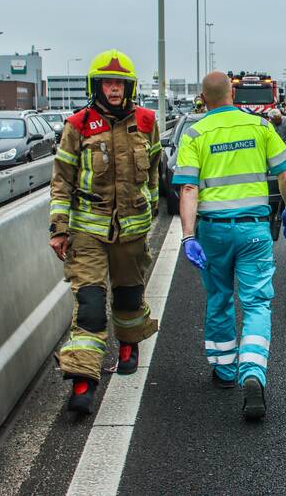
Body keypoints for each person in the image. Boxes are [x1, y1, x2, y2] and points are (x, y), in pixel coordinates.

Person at [175, 72, 286, 421]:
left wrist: (188, 235)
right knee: (257, 303)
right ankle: (253, 372)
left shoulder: (195, 133)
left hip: (213, 231)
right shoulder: (260, 126)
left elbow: (188, 188)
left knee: (219, 298)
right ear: (233, 92)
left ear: (203, 98)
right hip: (254, 230)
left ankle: (225, 371)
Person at [49, 49, 162, 415]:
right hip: (87, 232)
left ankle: (128, 345)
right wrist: (59, 228)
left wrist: (152, 209)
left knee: (129, 297)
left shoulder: (146, 121)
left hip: (131, 232)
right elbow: (61, 181)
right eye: (108, 83)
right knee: (91, 306)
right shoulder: (77, 125)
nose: (114, 89)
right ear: (96, 86)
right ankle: (83, 383)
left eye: (120, 84)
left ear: (130, 87)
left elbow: (155, 171)